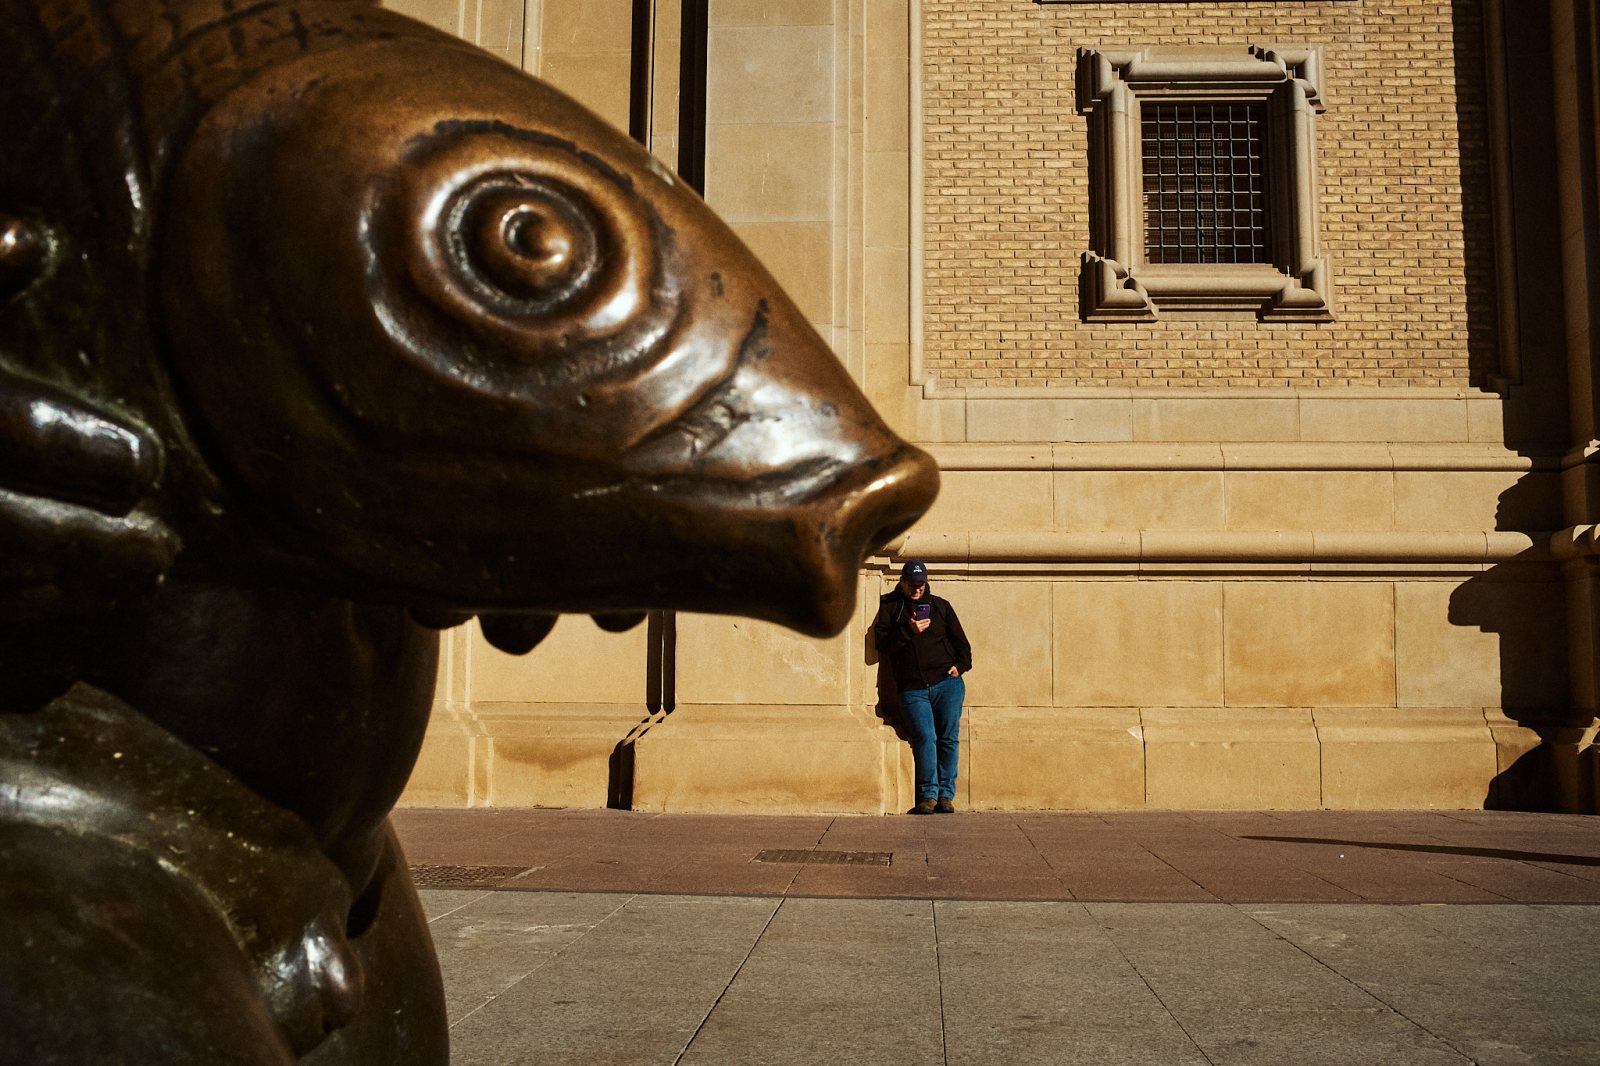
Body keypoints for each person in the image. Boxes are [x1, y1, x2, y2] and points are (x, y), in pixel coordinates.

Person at [872, 559, 972, 814]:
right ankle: (928, 795)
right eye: (913, 585)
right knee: (926, 737)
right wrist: (908, 630)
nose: (918, 589)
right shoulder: (890, 607)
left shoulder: (940, 607)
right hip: (913, 689)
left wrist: (959, 667)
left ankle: (946, 795)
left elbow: (963, 646)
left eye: (922, 584)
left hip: (946, 684)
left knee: (948, 738)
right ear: (902, 582)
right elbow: (881, 645)